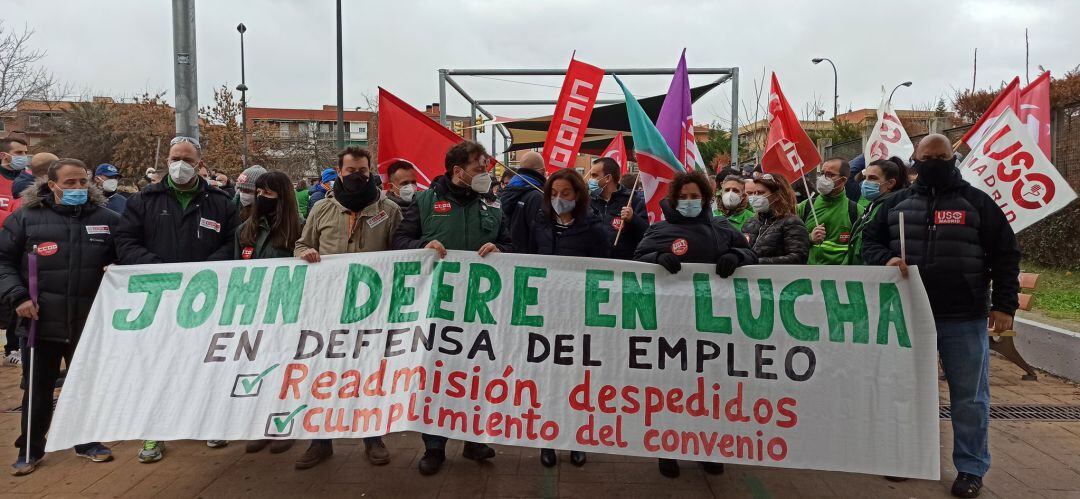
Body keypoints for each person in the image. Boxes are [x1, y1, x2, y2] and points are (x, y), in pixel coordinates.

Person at [863, 134, 1020, 499]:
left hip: (963, 315)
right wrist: (885, 259)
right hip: (908, 315)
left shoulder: (977, 202)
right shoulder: (895, 204)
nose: (933, 162)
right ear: (915, 160)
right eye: (927, 156)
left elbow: (1006, 255)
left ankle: (970, 468)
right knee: (904, 392)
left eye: (941, 156)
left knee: (969, 397)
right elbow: (869, 243)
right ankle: (906, 458)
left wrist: (1005, 305)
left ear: (953, 159)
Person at [114, 136, 238, 462]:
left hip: (204, 297)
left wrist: (208, 271)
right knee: (157, 365)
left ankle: (210, 422)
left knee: (206, 360)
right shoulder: (144, 200)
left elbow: (231, 243)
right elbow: (125, 241)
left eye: (186, 158)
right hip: (159, 297)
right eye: (174, 158)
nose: (179, 164)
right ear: (167, 161)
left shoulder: (220, 201)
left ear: (199, 164)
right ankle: (156, 431)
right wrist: (156, 268)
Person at [392, 140, 510, 476]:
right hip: (437, 307)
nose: (485, 172)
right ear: (458, 171)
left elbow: (513, 243)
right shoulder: (425, 201)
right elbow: (400, 241)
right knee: (437, 373)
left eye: (485, 166)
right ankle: (434, 446)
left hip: (479, 307)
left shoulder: (492, 205)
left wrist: (501, 247)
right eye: (478, 167)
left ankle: (472, 440)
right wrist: (422, 246)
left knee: (474, 373)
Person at [0, 159, 121, 475]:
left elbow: (126, 257)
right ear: (51, 184)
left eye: (82, 182)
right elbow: (3, 263)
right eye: (69, 183)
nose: (78, 188)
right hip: (40, 321)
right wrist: (19, 297)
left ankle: (88, 442)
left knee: (86, 385)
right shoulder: (25, 218)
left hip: (89, 322)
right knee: (38, 388)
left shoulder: (108, 220)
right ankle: (30, 449)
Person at [633, 171, 757, 478]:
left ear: (705, 199)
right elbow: (636, 259)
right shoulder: (660, 229)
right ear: (674, 199)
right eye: (683, 197)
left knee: (712, 388)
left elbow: (752, 255)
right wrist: (657, 257)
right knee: (672, 387)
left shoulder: (722, 228)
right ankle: (668, 448)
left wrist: (736, 255)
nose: (689, 202)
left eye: (695, 196)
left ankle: (709, 447)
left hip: (714, 325)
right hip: (670, 321)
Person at [293, 147, 400, 470]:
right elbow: (302, 243)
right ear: (339, 172)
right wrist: (305, 253)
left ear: (371, 172)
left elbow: (402, 252)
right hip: (328, 307)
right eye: (351, 170)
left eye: (363, 171)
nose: (357, 176)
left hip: (373, 309)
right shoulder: (321, 209)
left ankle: (372, 437)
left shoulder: (390, 210)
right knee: (324, 374)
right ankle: (320, 441)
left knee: (368, 374)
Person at [528, 168, 607, 468]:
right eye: (554, 194)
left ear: (578, 195)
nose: (559, 199)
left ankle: (576, 439)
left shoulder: (594, 229)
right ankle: (547, 440)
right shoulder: (539, 225)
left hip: (579, 316)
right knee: (548, 380)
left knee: (578, 380)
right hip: (545, 315)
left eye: (566, 193)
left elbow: (605, 269)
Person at [232, 171, 302, 455]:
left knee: (285, 371)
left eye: (269, 194)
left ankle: (286, 424)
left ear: (282, 197)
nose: (261, 198)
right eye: (259, 193)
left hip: (288, 313)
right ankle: (262, 424)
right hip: (255, 314)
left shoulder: (300, 229)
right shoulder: (244, 230)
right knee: (258, 371)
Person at [0, 135, 31, 367]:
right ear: (5, 155)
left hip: (16, 250)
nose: (24, 157)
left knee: (17, 296)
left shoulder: (27, 181)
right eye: (19, 153)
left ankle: (12, 348)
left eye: (25, 153)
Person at [843, 157, 908, 265]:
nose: (865, 182)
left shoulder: (892, 209)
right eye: (865, 177)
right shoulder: (873, 205)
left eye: (872, 178)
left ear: (890, 183)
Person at [798, 158, 861, 266]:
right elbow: (788, 242)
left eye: (830, 175)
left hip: (840, 279)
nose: (823, 178)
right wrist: (809, 238)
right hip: (807, 278)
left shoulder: (856, 211)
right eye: (822, 174)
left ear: (843, 180)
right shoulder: (805, 207)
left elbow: (858, 251)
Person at [742, 174, 810, 264]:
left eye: (761, 193)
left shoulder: (792, 223)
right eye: (754, 193)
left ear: (777, 196)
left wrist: (757, 262)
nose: (755, 197)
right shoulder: (750, 223)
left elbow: (798, 258)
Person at [588, 157, 647, 260]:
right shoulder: (587, 202)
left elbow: (647, 235)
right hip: (592, 266)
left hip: (622, 267)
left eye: (594, 175)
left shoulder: (633, 201)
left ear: (608, 178)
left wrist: (633, 219)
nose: (591, 180)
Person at [499, 151, 546, 253]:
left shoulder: (507, 191)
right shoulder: (537, 196)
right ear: (542, 171)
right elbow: (539, 235)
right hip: (530, 259)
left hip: (510, 254)